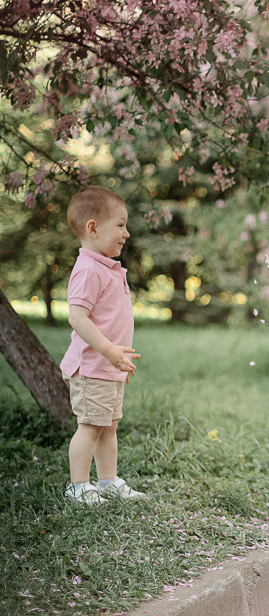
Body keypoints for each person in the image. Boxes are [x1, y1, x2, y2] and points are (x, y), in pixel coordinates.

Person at [60, 187, 145, 505]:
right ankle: (78, 486)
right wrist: (109, 351)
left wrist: (118, 358)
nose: (127, 233)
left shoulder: (107, 267)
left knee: (109, 427)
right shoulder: (88, 269)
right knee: (90, 427)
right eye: (120, 225)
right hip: (92, 365)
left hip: (109, 367)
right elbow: (78, 318)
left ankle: (108, 481)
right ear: (93, 228)